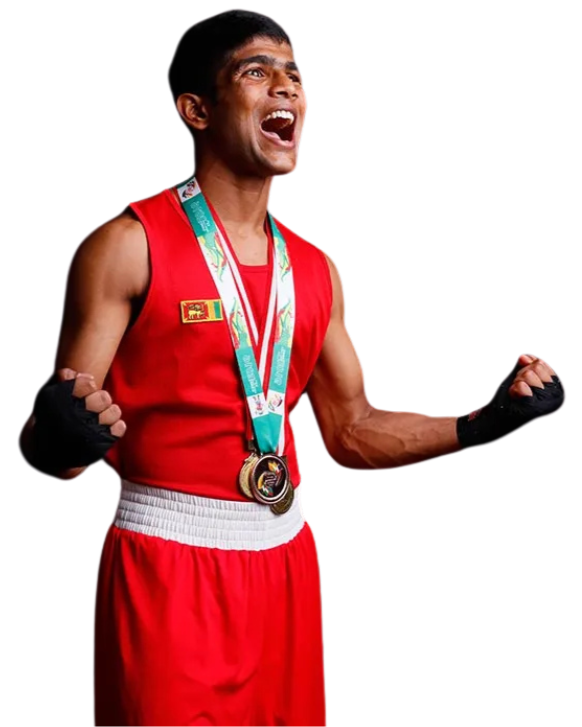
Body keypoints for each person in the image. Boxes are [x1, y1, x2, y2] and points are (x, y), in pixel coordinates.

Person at [17, 9, 566, 727]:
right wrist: (58, 439)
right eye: (257, 72)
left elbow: (352, 430)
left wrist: (485, 423)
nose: (287, 88)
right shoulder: (127, 245)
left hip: (286, 560)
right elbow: (56, 447)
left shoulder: (315, 269)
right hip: (168, 560)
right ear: (197, 110)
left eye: (296, 76)